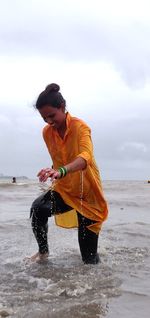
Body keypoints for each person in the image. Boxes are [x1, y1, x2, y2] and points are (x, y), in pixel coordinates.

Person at [29, 83, 108, 264]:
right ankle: (43, 254)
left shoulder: (81, 128)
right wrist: (51, 170)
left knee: (88, 260)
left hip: (88, 195)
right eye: (44, 118)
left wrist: (62, 170)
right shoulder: (47, 132)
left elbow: (85, 157)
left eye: (52, 116)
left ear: (62, 107)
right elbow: (60, 158)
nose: (49, 122)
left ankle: (99, 287)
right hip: (65, 190)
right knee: (38, 209)